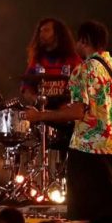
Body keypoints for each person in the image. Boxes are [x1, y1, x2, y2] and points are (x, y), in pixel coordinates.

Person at [25, 20, 112, 223]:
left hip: (87, 150)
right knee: (106, 217)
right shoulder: (110, 66)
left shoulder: (82, 71)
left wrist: (40, 116)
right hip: (110, 148)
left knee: (82, 216)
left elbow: (77, 111)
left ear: (84, 41)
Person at [21, 18, 83, 150]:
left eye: (46, 30)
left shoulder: (73, 60)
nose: (41, 34)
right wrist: (35, 100)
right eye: (40, 31)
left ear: (58, 34)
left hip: (67, 119)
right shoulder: (37, 60)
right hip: (42, 117)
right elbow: (26, 88)